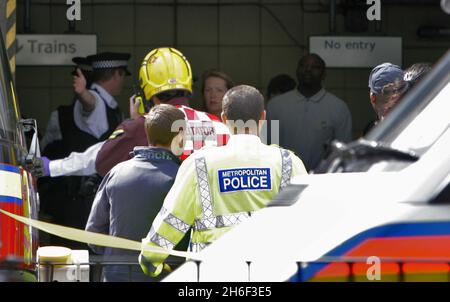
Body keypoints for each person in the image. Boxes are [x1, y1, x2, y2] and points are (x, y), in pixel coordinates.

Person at [139, 85, 308, 277]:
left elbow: (174, 219)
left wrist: (150, 260)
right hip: (271, 273)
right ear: (263, 117)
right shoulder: (289, 162)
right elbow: (308, 222)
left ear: (224, 119)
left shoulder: (199, 164)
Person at [31, 48, 230, 179]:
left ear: (145, 94)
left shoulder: (143, 127)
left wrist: (51, 167)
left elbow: (99, 159)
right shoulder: (219, 127)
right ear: (189, 87)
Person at [85, 104, 186, 282]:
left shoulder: (116, 172)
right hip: (168, 276)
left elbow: (93, 234)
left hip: (116, 275)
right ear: (180, 136)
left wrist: (116, 257)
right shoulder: (183, 177)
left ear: (148, 134)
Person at [95, 47, 230, 176]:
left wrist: (134, 123)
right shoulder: (217, 124)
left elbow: (102, 165)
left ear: (146, 94)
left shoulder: (139, 127)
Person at [267, 53, 352, 172]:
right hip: (282, 178)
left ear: (324, 74)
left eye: (315, 67)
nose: (308, 70)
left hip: (322, 180)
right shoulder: (276, 106)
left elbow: (343, 152)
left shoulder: (338, 108)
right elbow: (269, 146)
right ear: (296, 70)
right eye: (303, 65)